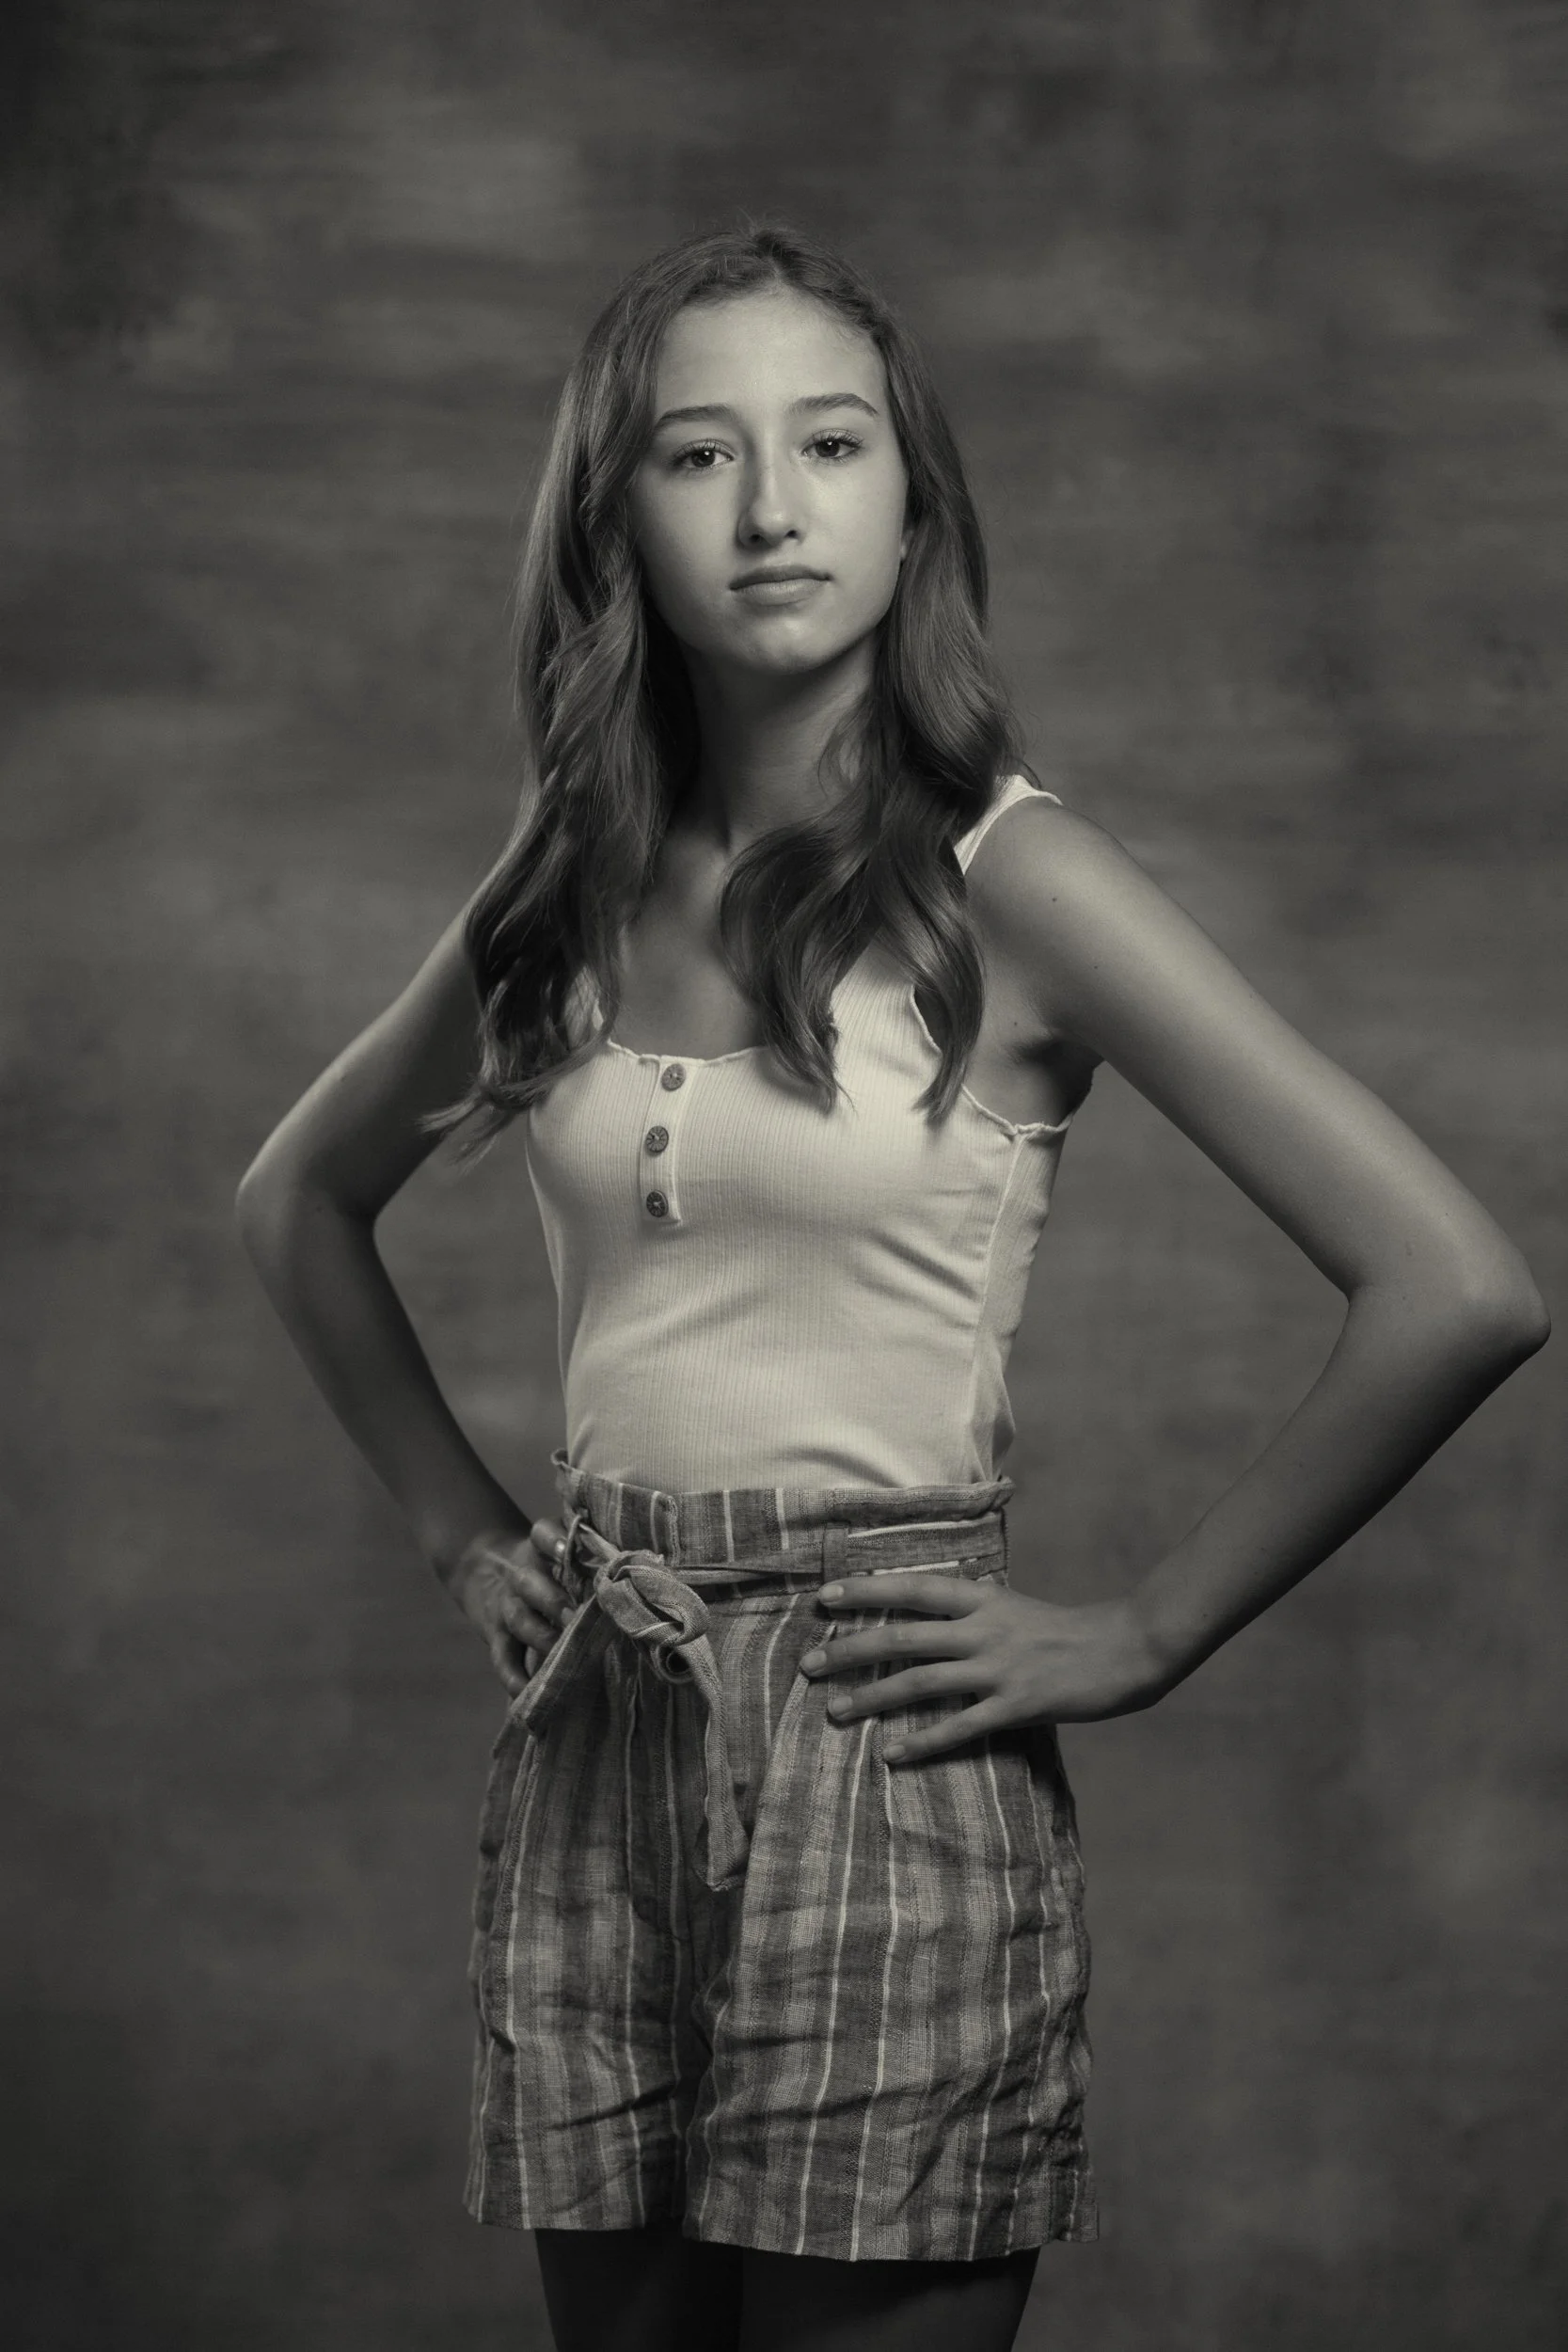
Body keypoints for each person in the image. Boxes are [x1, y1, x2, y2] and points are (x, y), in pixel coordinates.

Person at [235, 223, 1549, 2352]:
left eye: (830, 443)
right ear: (614, 519)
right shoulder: (563, 877)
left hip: (880, 1734)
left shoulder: (1014, 878)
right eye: (699, 454)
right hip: (600, 1729)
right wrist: (463, 1532)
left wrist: (1143, 1632)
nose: (772, 506)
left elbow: (1455, 1285)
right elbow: (295, 1198)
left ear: (910, 500)